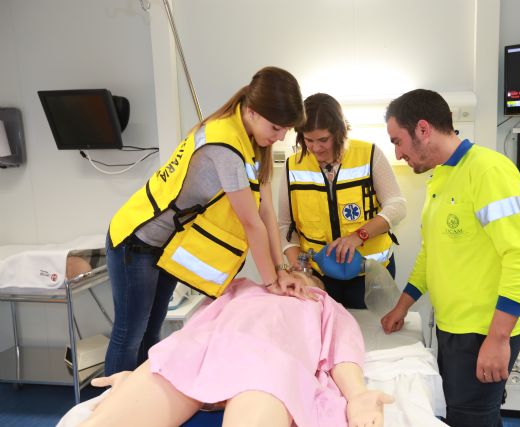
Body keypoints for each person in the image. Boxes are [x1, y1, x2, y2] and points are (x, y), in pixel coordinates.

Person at [104, 66, 309, 376]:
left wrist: (281, 270)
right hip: (137, 239)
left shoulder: (250, 141)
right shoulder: (224, 144)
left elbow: (266, 211)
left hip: (166, 244)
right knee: (129, 336)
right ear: (252, 112)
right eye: (277, 127)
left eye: (285, 131)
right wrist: (271, 284)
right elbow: (251, 224)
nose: (280, 137)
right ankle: (107, 415)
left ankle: (139, 406)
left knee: (151, 334)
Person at [380, 89, 520, 427]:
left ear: (423, 129)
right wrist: (402, 307)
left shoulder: (487, 170)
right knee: (466, 415)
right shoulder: (440, 178)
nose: (398, 154)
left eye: (398, 141)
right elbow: (432, 254)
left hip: (485, 330)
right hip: (455, 328)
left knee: (471, 419)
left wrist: (498, 338)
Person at [70, 276, 394, 427]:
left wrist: (358, 395)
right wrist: (151, 367)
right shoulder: (245, 287)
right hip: (202, 354)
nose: (297, 274)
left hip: (268, 361)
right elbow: (198, 326)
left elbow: (342, 351)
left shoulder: (323, 304)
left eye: (306, 274)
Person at [279, 93, 406, 309]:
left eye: (323, 140)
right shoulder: (293, 166)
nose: (316, 148)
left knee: (369, 337)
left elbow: (397, 206)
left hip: (369, 274)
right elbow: (283, 226)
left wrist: (358, 236)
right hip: (319, 276)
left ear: (339, 132)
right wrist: (300, 268)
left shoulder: (369, 155)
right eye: (308, 140)